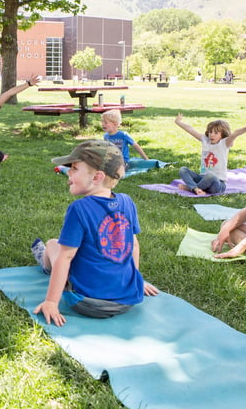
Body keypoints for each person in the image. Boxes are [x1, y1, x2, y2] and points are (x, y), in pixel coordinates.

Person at [31, 140, 159, 327]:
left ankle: (44, 261)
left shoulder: (79, 208)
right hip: (128, 300)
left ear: (97, 177)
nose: (69, 173)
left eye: (74, 168)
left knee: (53, 245)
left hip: (86, 302)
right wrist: (135, 280)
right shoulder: (127, 201)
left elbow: (66, 257)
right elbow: (133, 245)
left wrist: (51, 302)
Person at [174, 112, 246, 195]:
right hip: (203, 179)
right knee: (183, 170)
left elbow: (235, 134)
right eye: (210, 132)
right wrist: (178, 122)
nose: (212, 135)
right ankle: (196, 188)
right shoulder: (205, 140)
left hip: (217, 184)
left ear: (223, 134)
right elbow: (191, 129)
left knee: (210, 176)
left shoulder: (225, 143)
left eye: (216, 133)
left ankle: (191, 188)